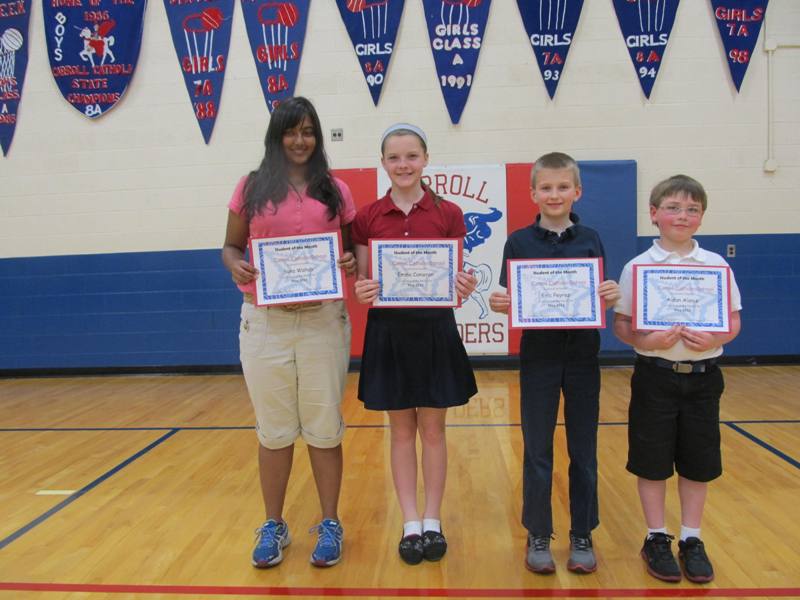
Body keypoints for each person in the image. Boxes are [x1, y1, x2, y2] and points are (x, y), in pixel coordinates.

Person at [221, 96, 357, 569]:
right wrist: (236, 265)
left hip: (323, 321)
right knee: (275, 431)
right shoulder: (251, 186)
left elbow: (353, 247)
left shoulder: (335, 189)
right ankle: (273, 524)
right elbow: (230, 246)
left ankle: (330, 522)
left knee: (324, 427)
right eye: (292, 131)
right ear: (276, 135)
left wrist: (351, 260)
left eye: (308, 131)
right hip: (265, 323)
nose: (301, 140)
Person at [351, 123, 478, 565]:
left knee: (434, 431)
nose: (403, 164)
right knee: (401, 432)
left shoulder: (449, 213)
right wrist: (363, 290)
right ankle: (409, 522)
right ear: (383, 163)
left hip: (435, 330)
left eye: (411, 156)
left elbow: (456, 281)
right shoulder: (367, 217)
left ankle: (432, 519)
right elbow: (364, 282)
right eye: (394, 157)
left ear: (425, 159)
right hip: (389, 333)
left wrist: (464, 286)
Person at [489, 152, 621, 574]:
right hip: (539, 358)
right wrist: (501, 303)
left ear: (577, 191)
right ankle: (538, 533)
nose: (554, 194)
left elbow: (598, 295)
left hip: (583, 357)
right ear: (533, 193)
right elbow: (510, 298)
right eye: (546, 187)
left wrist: (609, 295)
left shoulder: (591, 239)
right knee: (537, 449)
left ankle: (582, 533)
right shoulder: (518, 242)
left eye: (563, 187)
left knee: (584, 450)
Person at [613, 174, 742, 584]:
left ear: (701, 217)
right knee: (652, 462)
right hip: (655, 377)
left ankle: (691, 537)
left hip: (704, 379)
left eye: (691, 209)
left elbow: (733, 320)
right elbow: (622, 325)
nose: (682, 215)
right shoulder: (637, 267)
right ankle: (656, 536)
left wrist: (717, 338)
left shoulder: (716, 265)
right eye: (672, 208)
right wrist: (644, 338)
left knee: (697, 462)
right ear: (654, 214)